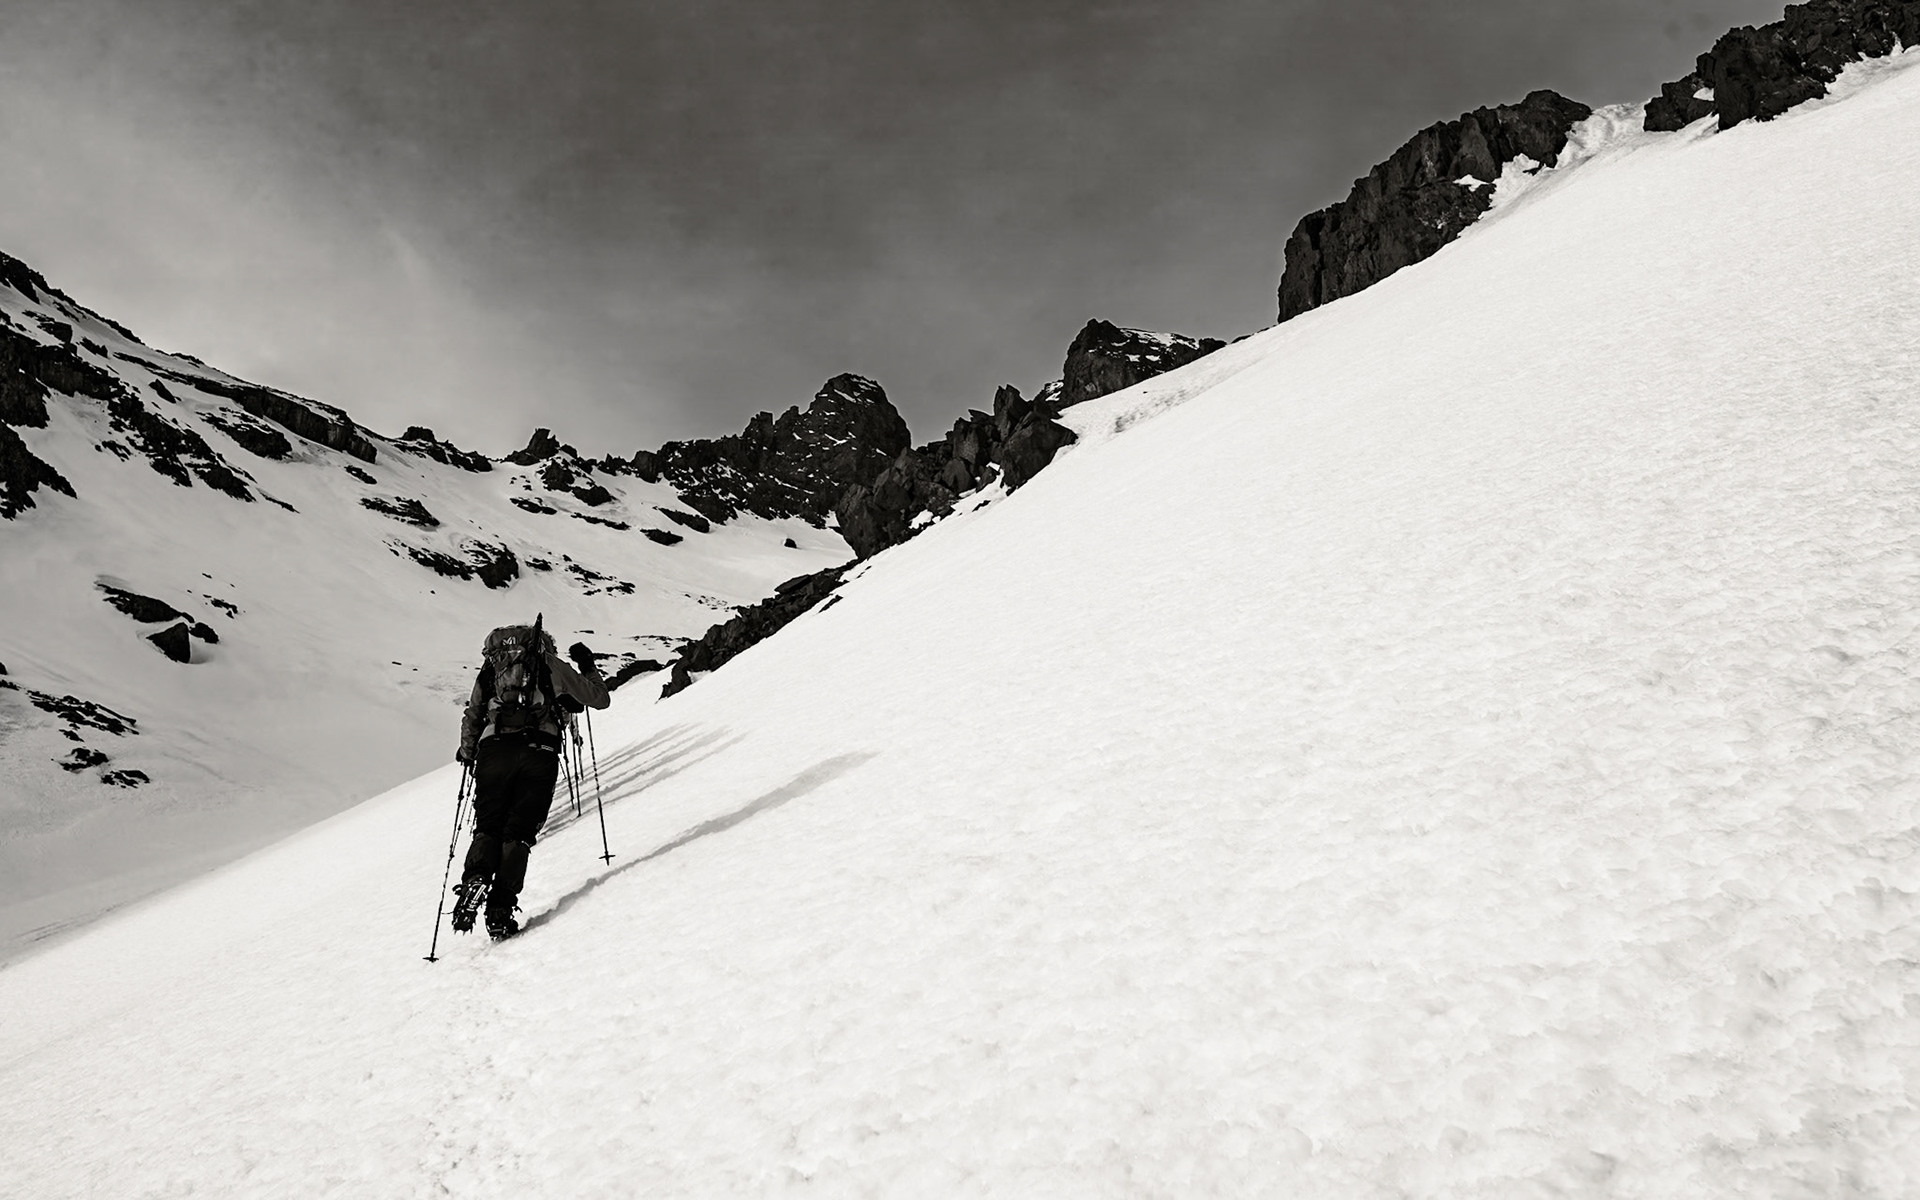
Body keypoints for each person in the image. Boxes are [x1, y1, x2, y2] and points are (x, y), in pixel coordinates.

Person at [452, 622, 610, 939]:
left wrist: (468, 752)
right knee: (519, 831)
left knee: (488, 825)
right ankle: (500, 911)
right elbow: (599, 699)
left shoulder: (492, 667)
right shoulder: (550, 663)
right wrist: (587, 666)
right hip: (539, 750)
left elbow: (474, 712)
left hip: (494, 749)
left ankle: (476, 877)